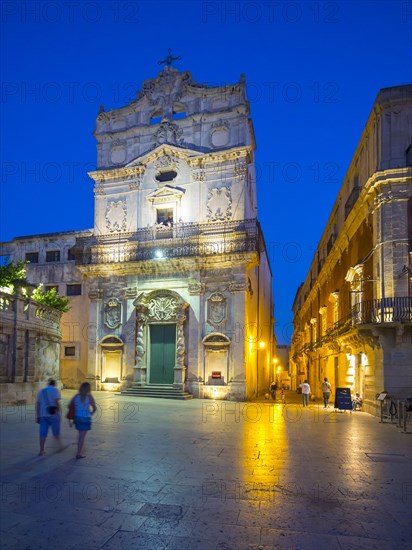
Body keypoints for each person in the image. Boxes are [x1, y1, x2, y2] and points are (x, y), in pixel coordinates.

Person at [69, 382, 97, 459]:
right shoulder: (89, 397)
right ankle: (78, 453)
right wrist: (91, 413)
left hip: (77, 417)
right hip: (85, 418)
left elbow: (70, 406)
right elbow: (94, 407)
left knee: (80, 435)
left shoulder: (76, 396)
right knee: (82, 436)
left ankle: (81, 449)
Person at [36, 378, 62, 456]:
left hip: (43, 415)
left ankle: (41, 450)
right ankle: (59, 447)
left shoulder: (41, 391)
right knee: (56, 433)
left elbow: (38, 404)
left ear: (48, 384)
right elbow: (56, 402)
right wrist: (59, 411)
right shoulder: (55, 390)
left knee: (42, 433)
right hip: (53, 414)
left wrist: (38, 416)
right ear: (54, 384)